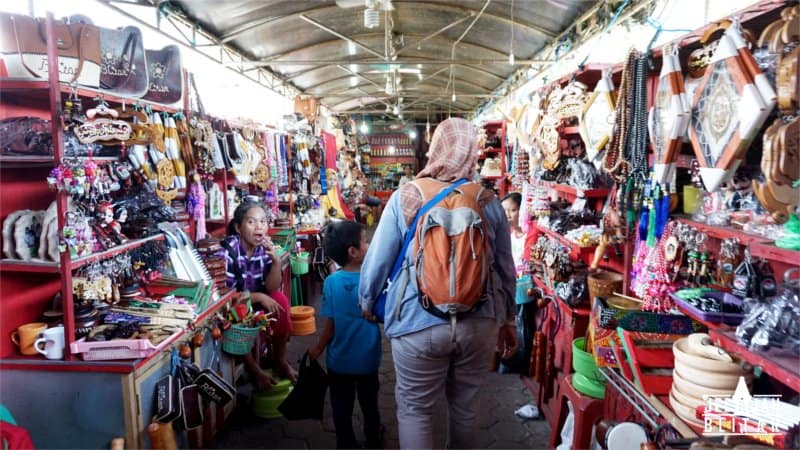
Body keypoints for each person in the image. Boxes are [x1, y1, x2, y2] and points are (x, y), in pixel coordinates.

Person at [358, 117, 518, 449]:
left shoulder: (407, 196)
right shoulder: (488, 201)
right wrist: (508, 319)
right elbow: (505, 268)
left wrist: (367, 301)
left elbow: (377, 261)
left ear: (436, 149)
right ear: (471, 153)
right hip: (480, 320)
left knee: (416, 410)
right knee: (465, 408)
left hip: (417, 323)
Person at [308, 221, 383, 449]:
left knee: (341, 406)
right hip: (368, 359)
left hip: (339, 361)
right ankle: (373, 436)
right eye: (365, 240)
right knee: (370, 403)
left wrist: (318, 348)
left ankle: (346, 442)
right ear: (353, 251)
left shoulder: (331, 282)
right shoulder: (373, 279)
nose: (369, 244)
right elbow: (381, 314)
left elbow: (330, 325)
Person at [219, 201, 297, 388]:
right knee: (240, 311)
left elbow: (271, 288)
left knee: (280, 301)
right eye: (252, 222)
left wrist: (276, 261)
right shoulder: (228, 251)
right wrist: (259, 298)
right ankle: (254, 370)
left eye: (263, 221)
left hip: (254, 299)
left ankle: (279, 360)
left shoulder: (264, 248)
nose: (259, 227)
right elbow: (228, 297)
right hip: (233, 305)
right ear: (238, 227)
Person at [498, 192, 537, 375]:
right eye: (505, 210)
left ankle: (517, 361)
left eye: (513, 210)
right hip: (510, 286)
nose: (508, 215)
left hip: (523, 287)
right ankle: (507, 359)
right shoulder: (507, 233)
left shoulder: (530, 233)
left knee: (522, 326)